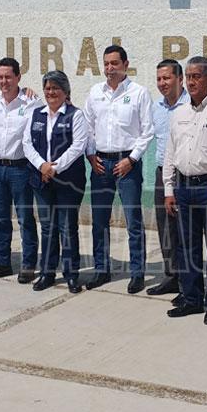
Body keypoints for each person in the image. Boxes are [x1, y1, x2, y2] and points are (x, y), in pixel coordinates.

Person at [163, 56, 207, 325]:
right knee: (187, 246)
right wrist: (169, 189)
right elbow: (170, 153)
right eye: (189, 76)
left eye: (197, 76)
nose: (191, 82)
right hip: (184, 187)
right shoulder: (179, 113)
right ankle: (192, 298)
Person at [82, 45, 154, 293]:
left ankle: (137, 273)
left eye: (114, 63)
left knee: (133, 221)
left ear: (125, 64)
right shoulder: (95, 92)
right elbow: (87, 127)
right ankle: (101, 270)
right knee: (99, 221)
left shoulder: (138, 93)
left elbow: (147, 131)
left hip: (127, 166)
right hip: (101, 164)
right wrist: (90, 155)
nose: (110, 68)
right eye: (106, 64)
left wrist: (132, 159)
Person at [22, 70, 88, 293]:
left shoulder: (75, 115)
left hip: (68, 181)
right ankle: (47, 273)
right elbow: (27, 144)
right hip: (41, 180)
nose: (51, 92)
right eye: (47, 88)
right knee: (48, 227)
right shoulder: (36, 114)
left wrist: (54, 168)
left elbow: (78, 146)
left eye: (55, 88)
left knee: (67, 227)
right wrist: (42, 165)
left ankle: (71, 274)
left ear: (65, 91)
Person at [0, 57, 42, 284]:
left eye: (8, 77)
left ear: (18, 77)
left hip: (21, 169)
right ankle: (2, 263)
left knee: (25, 218)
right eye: (0, 77)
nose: (4, 81)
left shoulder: (31, 102)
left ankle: (28, 264)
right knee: (0, 218)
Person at [147, 59, 189, 297]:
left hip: (186, 175)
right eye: (159, 79)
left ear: (180, 79)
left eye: (167, 78)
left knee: (187, 230)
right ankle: (172, 276)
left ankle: (189, 281)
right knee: (165, 227)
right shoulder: (157, 107)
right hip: (162, 173)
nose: (162, 83)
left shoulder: (191, 105)